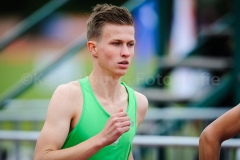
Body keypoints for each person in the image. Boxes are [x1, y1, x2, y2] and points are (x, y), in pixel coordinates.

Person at [33, 3, 148, 160]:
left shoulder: (139, 103)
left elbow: (123, 153)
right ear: (93, 48)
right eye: (116, 43)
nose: (126, 53)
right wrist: (101, 139)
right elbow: (41, 157)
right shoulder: (68, 95)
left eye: (130, 44)